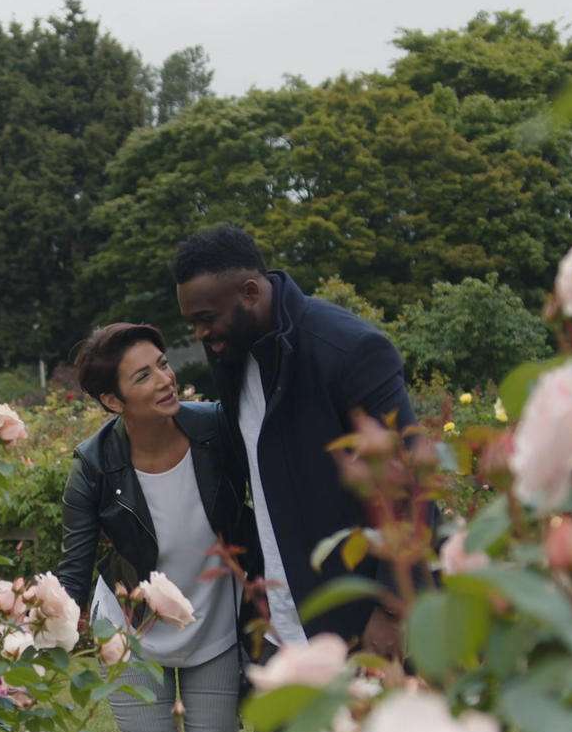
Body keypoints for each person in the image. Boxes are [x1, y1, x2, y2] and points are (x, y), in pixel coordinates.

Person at [172, 224, 413, 654]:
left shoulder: (348, 350)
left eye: (206, 319)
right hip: (279, 629)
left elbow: (409, 484)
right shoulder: (230, 352)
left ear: (249, 292)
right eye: (193, 323)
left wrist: (390, 609)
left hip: (357, 623)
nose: (201, 335)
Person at [55, 321, 255, 732]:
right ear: (113, 400)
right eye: (142, 376)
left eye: (162, 365)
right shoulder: (94, 464)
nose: (165, 380)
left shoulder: (216, 429)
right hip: (129, 634)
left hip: (214, 623)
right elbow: (74, 570)